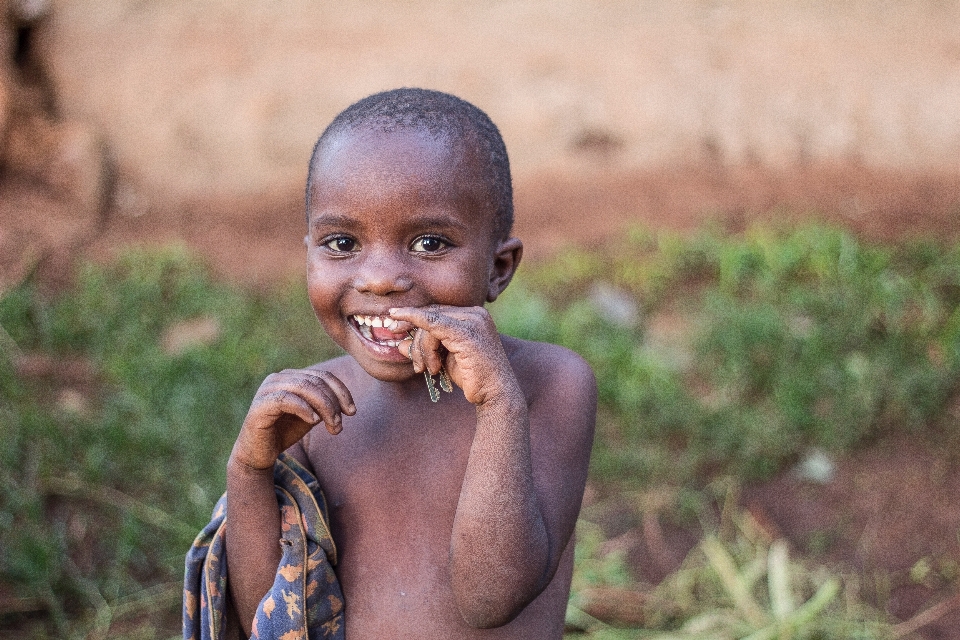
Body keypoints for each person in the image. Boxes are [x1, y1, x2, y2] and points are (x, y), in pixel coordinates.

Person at [200, 88, 596, 640]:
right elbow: (270, 617)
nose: (381, 278)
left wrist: (499, 404)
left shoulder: (549, 385)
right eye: (342, 243)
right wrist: (248, 473)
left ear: (498, 268)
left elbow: (490, 599)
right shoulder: (312, 411)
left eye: (430, 243)